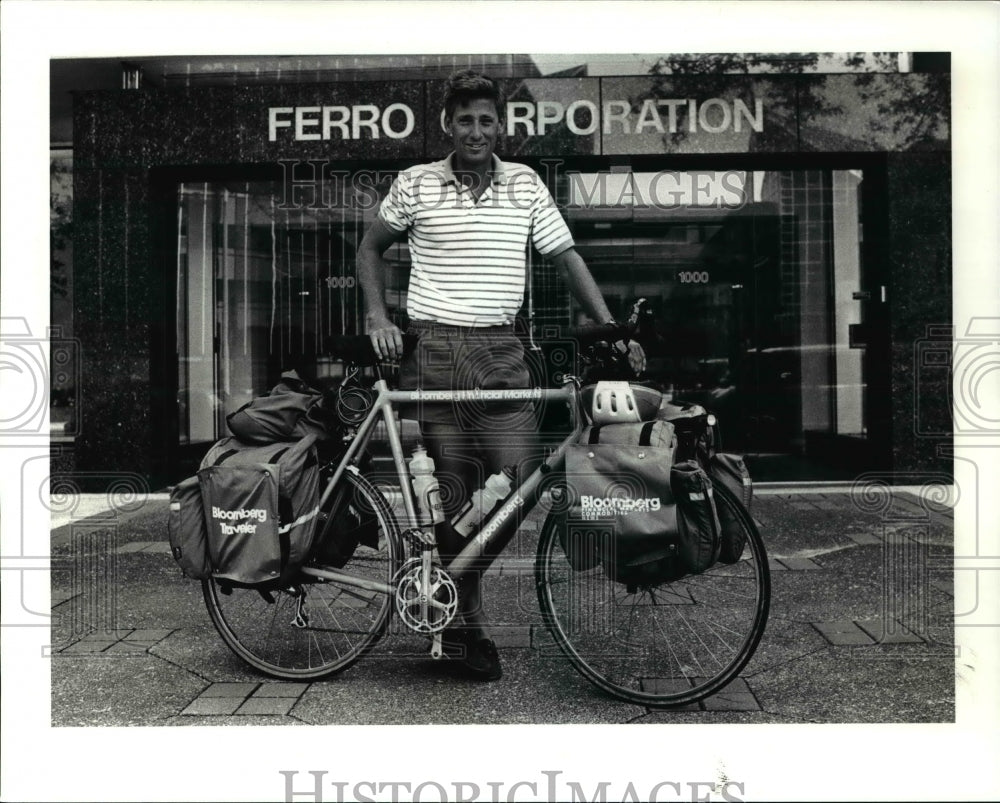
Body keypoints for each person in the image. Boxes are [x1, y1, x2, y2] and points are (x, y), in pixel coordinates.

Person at [357, 70, 643, 681]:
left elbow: (567, 258)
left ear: (501, 125)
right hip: (435, 350)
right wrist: (377, 316)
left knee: (521, 479)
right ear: (447, 125)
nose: (477, 131)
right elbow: (369, 248)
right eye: (465, 120)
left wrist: (613, 329)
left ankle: (452, 582)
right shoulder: (416, 184)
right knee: (457, 490)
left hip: (501, 350)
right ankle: (467, 628)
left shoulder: (525, 185)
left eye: (487, 120)